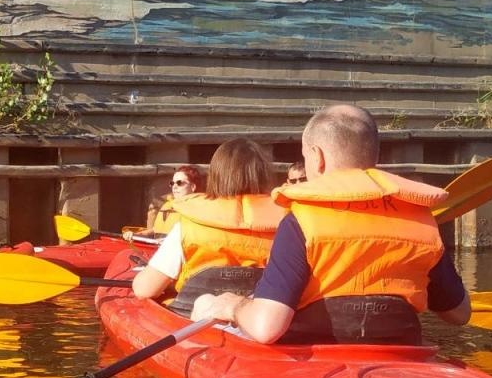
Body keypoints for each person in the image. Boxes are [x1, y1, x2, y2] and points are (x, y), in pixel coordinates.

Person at [191, 105, 471, 344]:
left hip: (315, 353)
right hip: (399, 350)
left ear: (318, 157)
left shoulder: (301, 221)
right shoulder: (421, 221)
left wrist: (233, 304)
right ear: (374, 155)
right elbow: (459, 314)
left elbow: (266, 328)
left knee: (222, 309)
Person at [132, 140, 283, 315]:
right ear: (265, 175)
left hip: (192, 320)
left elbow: (144, 290)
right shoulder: (288, 227)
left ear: (216, 176)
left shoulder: (188, 225)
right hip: (261, 321)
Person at [142, 164, 205, 235]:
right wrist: (140, 234)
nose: (174, 187)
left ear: (193, 187)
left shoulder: (201, 210)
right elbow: (158, 229)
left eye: (179, 183)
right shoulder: (168, 205)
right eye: (172, 183)